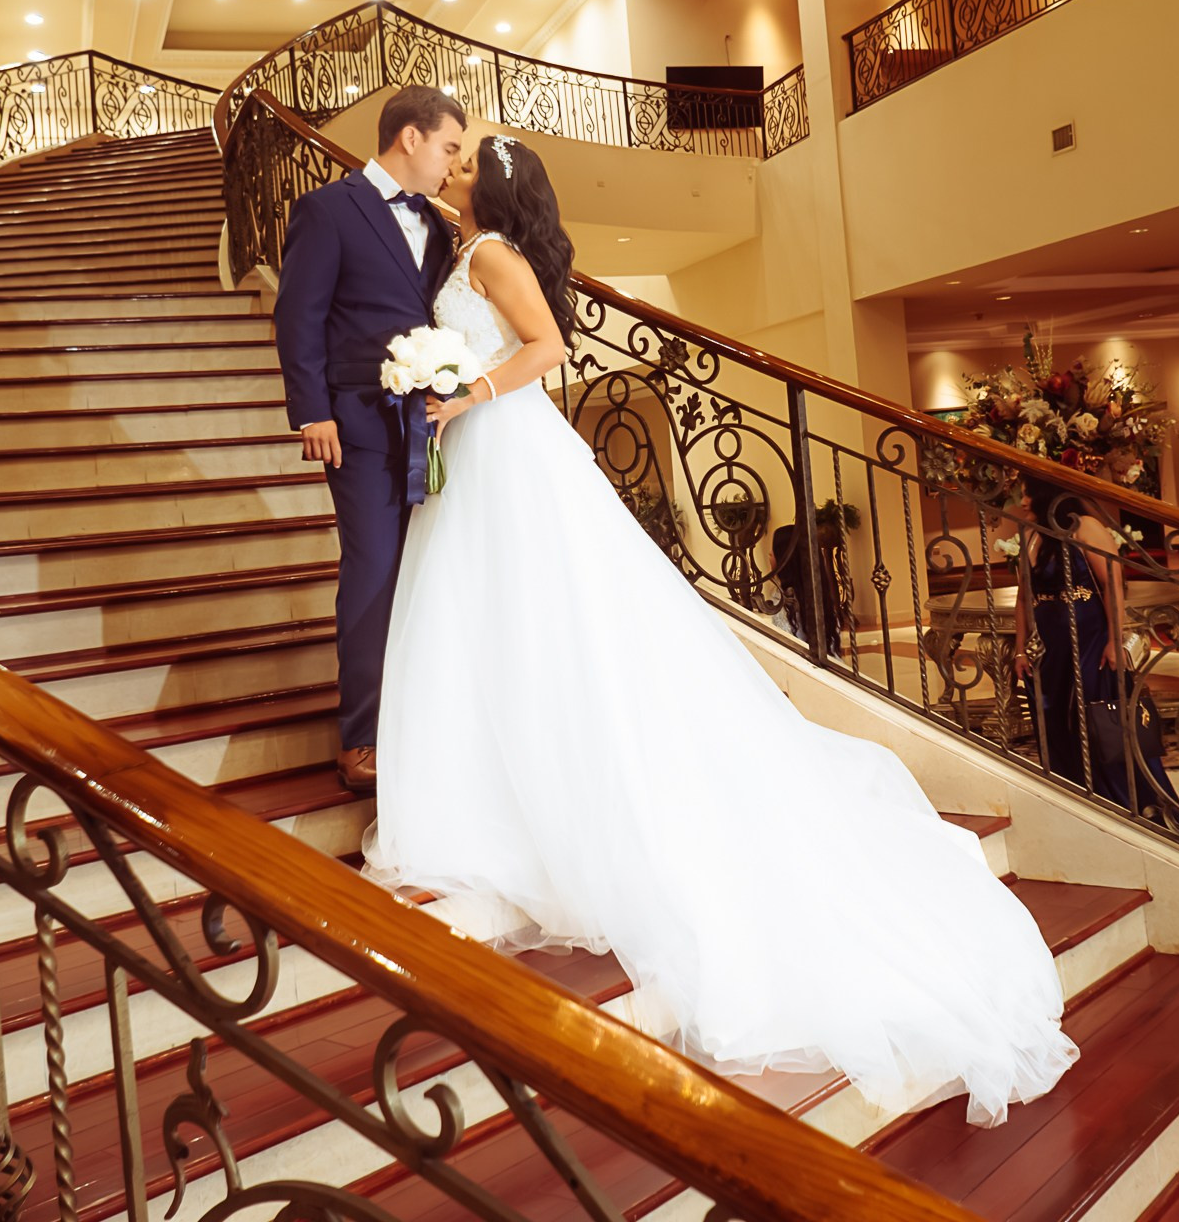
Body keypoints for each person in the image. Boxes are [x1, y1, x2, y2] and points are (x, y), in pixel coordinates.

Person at [363, 133, 1076, 1125]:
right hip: (496, 454)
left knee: (526, 625)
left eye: (465, 163)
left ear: (489, 186)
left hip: (502, 447)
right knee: (500, 628)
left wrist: (462, 394)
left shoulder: (488, 256)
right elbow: (438, 216)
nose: (452, 171)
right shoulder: (475, 239)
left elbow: (548, 350)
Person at [273, 86, 464, 793]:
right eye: (448, 147)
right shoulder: (328, 209)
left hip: (433, 425)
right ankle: (361, 737)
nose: (451, 165)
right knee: (375, 574)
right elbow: (299, 316)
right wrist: (311, 411)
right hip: (356, 425)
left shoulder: (443, 228)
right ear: (410, 138)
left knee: (431, 576)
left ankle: (426, 720)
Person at [1009, 476, 1179, 826]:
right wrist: (1019, 650)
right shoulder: (1032, 532)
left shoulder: (1086, 527)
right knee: (1057, 719)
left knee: (1099, 718)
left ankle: (1133, 806)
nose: (1023, 500)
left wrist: (1115, 641)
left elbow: (1113, 584)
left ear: (1047, 492)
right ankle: (1077, 800)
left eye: (1027, 492)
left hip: (1089, 640)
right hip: (1050, 649)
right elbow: (1023, 597)